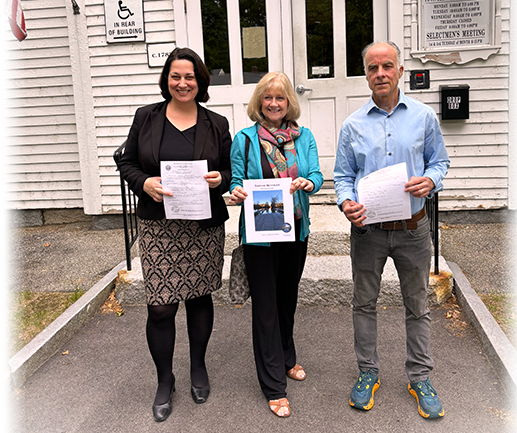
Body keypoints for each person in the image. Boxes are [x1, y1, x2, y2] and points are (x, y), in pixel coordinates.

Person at [334, 42, 449, 419]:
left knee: (417, 306)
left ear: (400, 71)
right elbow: (343, 176)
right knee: (364, 304)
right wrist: (345, 202)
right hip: (368, 232)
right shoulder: (352, 124)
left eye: (387, 66)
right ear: (365, 74)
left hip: (413, 230)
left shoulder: (423, 117)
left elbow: (439, 161)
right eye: (372, 68)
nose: (380, 73)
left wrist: (430, 182)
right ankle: (368, 372)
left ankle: (420, 377)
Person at [118, 47, 231, 422]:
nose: (183, 83)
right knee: (161, 306)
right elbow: (127, 161)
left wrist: (221, 180)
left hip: (201, 227)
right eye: (176, 76)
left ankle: (197, 366)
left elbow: (231, 171)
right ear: (166, 79)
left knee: (199, 298)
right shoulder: (146, 118)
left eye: (190, 77)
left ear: (201, 81)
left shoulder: (216, 123)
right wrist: (145, 182)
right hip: (159, 227)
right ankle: (165, 380)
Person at [229, 72, 323, 418]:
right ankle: (273, 385)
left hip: (295, 229)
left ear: (289, 103)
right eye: (267, 98)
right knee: (266, 308)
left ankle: (286, 357)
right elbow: (236, 180)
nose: (273, 104)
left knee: (287, 300)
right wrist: (236, 191)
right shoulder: (245, 139)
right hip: (260, 235)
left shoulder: (304, 137)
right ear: (259, 102)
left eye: (280, 98)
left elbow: (316, 175)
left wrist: (307, 183)